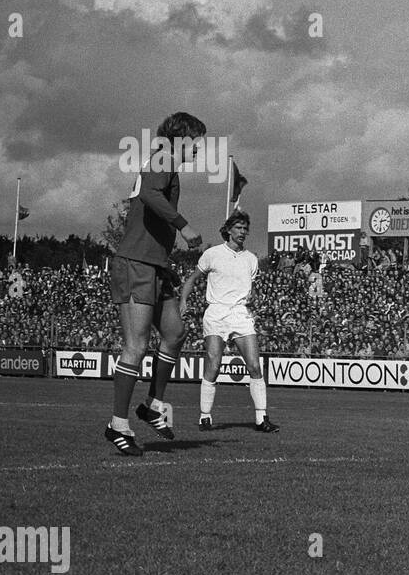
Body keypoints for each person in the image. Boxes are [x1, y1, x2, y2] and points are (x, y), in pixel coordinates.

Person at [104, 112, 206, 456]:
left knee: (175, 333)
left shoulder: (166, 162)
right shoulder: (163, 158)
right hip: (135, 262)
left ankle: (152, 404)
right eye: (197, 141)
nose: (200, 148)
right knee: (136, 346)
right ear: (181, 137)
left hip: (153, 265)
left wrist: (165, 262)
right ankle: (117, 424)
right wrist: (184, 226)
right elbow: (149, 194)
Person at [179, 210, 279, 433]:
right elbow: (193, 279)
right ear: (228, 230)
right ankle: (205, 416)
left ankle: (262, 419)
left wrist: (254, 302)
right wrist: (183, 300)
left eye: (245, 229)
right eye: (239, 228)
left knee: (254, 365)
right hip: (216, 313)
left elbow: (249, 288)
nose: (243, 232)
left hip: (240, 314)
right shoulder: (213, 254)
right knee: (213, 364)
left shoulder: (251, 259)